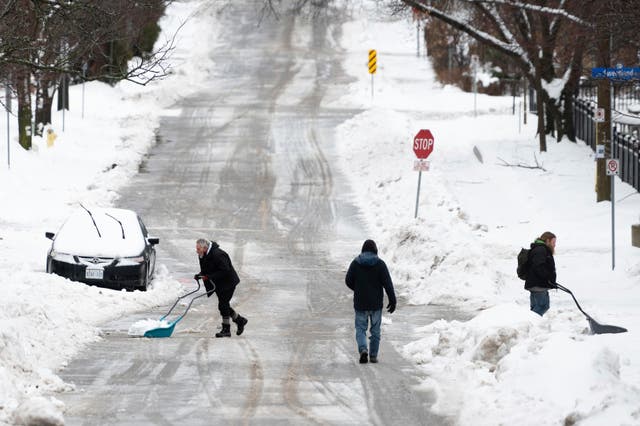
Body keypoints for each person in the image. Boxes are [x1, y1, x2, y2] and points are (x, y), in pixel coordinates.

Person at [345, 239, 396, 364]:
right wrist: (392, 300)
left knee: (360, 329)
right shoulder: (380, 264)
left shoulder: (356, 263)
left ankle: (363, 350)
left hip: (360, 303)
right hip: (376, 304)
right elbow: (388, 284)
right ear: (375, 250)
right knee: (375, 331)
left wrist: (358, 289)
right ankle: (373, 355)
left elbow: (348, 280)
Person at [194, 238, 248, 337]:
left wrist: (209, 277)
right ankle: (240, 320)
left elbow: (225, 270)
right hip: (219, 283)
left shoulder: (218, 254)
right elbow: (206, 269)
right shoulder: (202, 255)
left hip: (228, 283)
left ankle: (226, 329)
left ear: (204, 248)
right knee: (224, 305)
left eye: (198, 249)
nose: (196, 251)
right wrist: (200, 275)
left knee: (223, 305)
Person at [524, 231, 557, 316]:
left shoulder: (539, 249)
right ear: (547, 241)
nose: (554, 245)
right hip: (538, 284)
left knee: (537, 307)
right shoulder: (541, 249)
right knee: (543, 306)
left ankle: (531, 324)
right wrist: (548, 278)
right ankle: (531, 322)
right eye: (553, 242)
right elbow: (538, 266)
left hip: (537, 284)